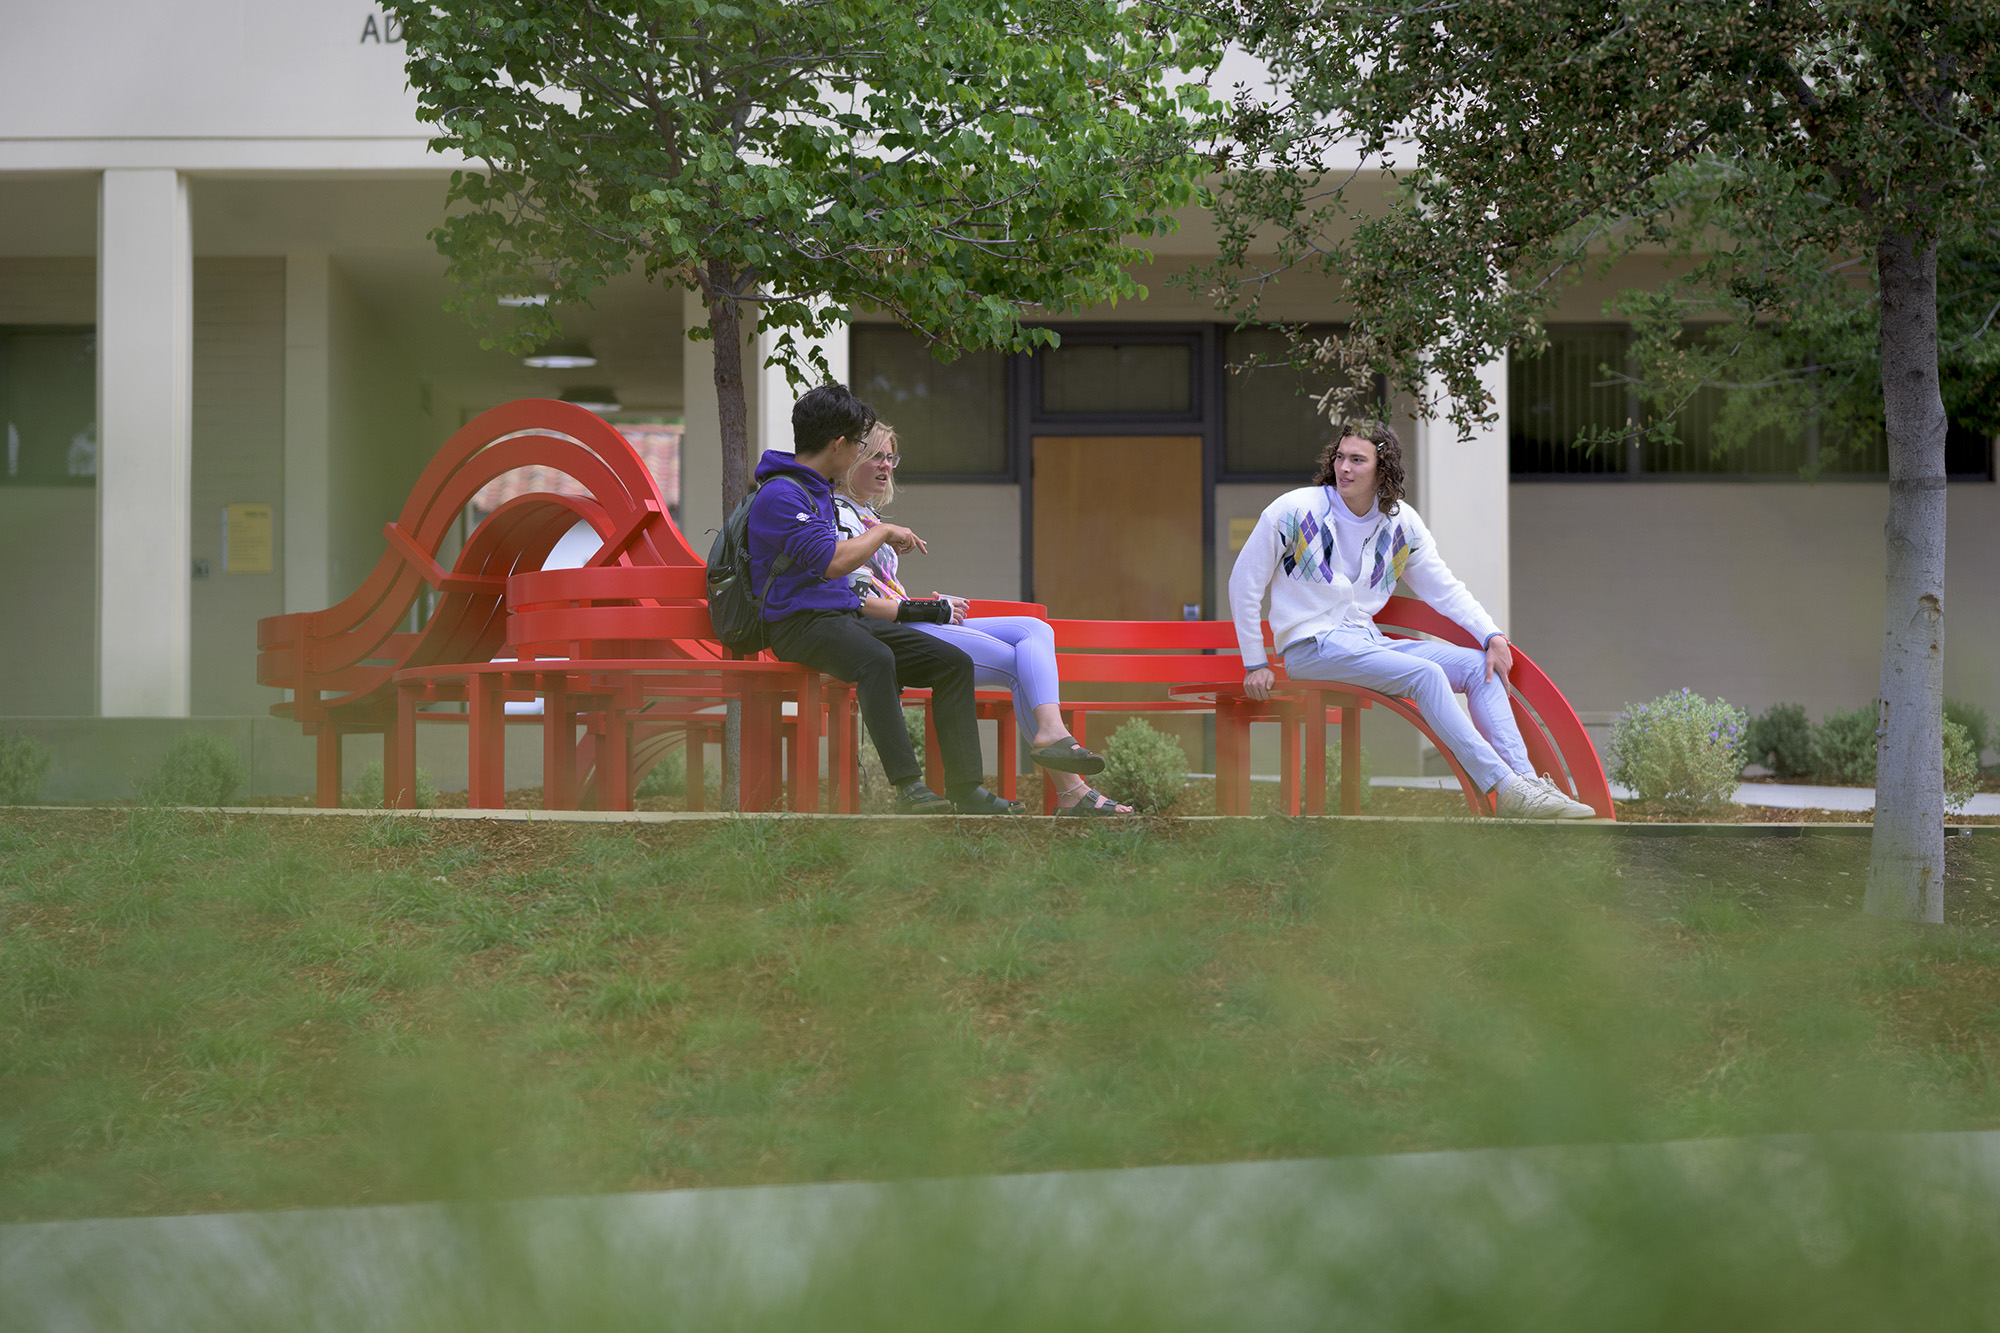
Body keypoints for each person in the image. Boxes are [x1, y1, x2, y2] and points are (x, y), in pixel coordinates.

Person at [1227, 420, 1596, 819]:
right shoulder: (1294, 510)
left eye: (1357, 460)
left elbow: (1444, 589)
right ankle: (1504, 787)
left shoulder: (1401, 524)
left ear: (1382, 469)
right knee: (1426, 675)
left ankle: (1526, 784)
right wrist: (1255, 662)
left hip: (1365, 642)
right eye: (1340, 457)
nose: (1344, 468)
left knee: (1477, 668)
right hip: (1312, 647)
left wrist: (1490, 634)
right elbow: (1243, 584)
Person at [832, 423, 1136, 816]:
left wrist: (928, 604)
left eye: (891, 457)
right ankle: (1073, 790)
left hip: (912, 619)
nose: (886, 466)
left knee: (1035, 629)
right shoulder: (838, 513)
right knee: (1016, 667)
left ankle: (1052, 733)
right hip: (897, 632)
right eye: (875, 455)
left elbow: (883, 588)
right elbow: (856, 599)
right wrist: (929, 609)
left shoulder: (867, 514)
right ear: (851, 456)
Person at [748, 383, 1022, 815]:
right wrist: (883, 532)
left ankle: (966, 788)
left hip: (841, 618)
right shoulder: (781, 495)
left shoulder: (816, 490)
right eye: (860, 444)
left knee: (954, 662)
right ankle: (909, 788)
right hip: (798, 624)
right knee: (875, 660)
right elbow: (831, 562)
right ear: (839, 444)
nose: (862, 453)